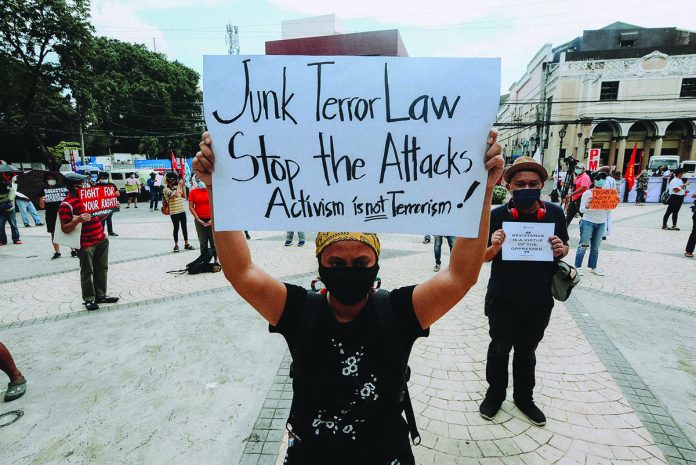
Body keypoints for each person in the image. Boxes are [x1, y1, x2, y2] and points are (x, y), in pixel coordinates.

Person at [193, 129, 504, 464]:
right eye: (336, 263)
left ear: (376, 264)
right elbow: (241, 272)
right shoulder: (300, 310)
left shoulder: (397, 312)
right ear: (320, 265)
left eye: (360, 263)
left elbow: (461, 276)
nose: (349, 271)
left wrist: (483, 193)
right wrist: (217, 188)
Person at [480, 156, 569, 427]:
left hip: (539, 299)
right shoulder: (497, 216)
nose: (526, 188)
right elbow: (481, 257)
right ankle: (495, 393)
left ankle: (524, 397)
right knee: (499, 349)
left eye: (533, 183)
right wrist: (494, 246)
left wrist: (560, 249)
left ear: (542, 185)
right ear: (509, 187)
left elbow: (564, 247)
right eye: (520, 184)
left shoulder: (554, 213)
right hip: (502, 298)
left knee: (527, 352)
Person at [58, 172, 119, 311]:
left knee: (102, 268)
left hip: (101, 239)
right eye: (84, 183)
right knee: (87, 271)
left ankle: (101, 295)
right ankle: (89, 299)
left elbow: (99, 216)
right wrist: (78, 219)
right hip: (85, 243)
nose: (88, 185)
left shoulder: (90, 199)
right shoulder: (66, 204)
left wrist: (109, 208)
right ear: (75, 186)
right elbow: (65, 228)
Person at [574, 172, 616, 276]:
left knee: (596, 247)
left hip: (601, 222)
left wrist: (612, 203)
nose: (601, 180)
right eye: (598, 178)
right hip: (588, 221)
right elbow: (581, 210)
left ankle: (593, 267)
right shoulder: (587, 193)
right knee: (583, 244)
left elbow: (608, 209)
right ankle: (577, 266)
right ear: (593, 180)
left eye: (603, 178)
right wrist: (587, 206)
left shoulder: (606, 193)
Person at [39, 172, 69, 259]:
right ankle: (57, 251)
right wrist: (41, 199)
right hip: (50, 214)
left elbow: (68, 199)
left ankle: (73, 250)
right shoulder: (43, 190)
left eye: (52, 178)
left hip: (63, 212)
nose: (50, 180)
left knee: (68, 230)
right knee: (53, 232)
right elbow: (42, 206)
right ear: (45, 180)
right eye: (48, 178)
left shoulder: (62, 188)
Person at [188, 176, 217, 264]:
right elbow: (191, 207)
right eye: (198, 180)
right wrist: (197, 218)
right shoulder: (193, 192)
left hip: (211, 220)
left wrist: (212, 219)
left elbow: (217, 205)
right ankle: (205, 260)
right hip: (199, 220)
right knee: (203, 242)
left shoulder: (212, 190)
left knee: (213, 242)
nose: (201, 181)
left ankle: (216, 260)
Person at [163, 172, 194, 253]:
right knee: (176, 228)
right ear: (170, 180)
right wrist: (180, 186)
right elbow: (176, 194)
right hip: (174, 212)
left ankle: (186, 243)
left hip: (182, 211)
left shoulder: (177, 187)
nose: (176, 181)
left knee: (184, 227)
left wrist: (183, 186)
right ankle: (176, 245)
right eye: (174, 179)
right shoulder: (166, 189)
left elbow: (184, 196)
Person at [0, 177, 21, 245]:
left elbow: (10, 197)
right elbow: (8, 198)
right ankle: (2, 240)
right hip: (1, 210)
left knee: (13, 224)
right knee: (0, 226)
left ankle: (16, 239)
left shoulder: (11, 189)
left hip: (10, 209)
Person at [96, 172, 119, 237]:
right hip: (100, 205)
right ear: (100, 178)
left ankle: (110, 232)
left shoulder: (112, 185)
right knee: (101, 219)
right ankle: (101, 232)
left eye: (105, 178)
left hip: (110, 204)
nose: (104, 179)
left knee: (109, 218)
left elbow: (117, 194)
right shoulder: (96, 186)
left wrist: (109, 193)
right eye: (102, 178)